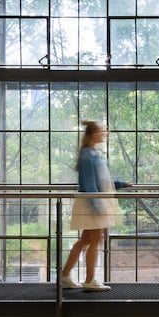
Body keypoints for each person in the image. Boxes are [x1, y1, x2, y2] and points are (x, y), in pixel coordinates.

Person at [60, 119, 131, 291]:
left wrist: (120, 183)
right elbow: (90, 184)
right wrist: (98, 208)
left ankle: (65, 274)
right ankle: (90, 280)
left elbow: (102, 181)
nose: (105, 133)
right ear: (94, 134)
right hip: (91, 202)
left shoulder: (92, 153)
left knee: (85, 240)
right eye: (103, 130)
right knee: (96, 240)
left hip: (92, 201)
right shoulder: (87, 155)